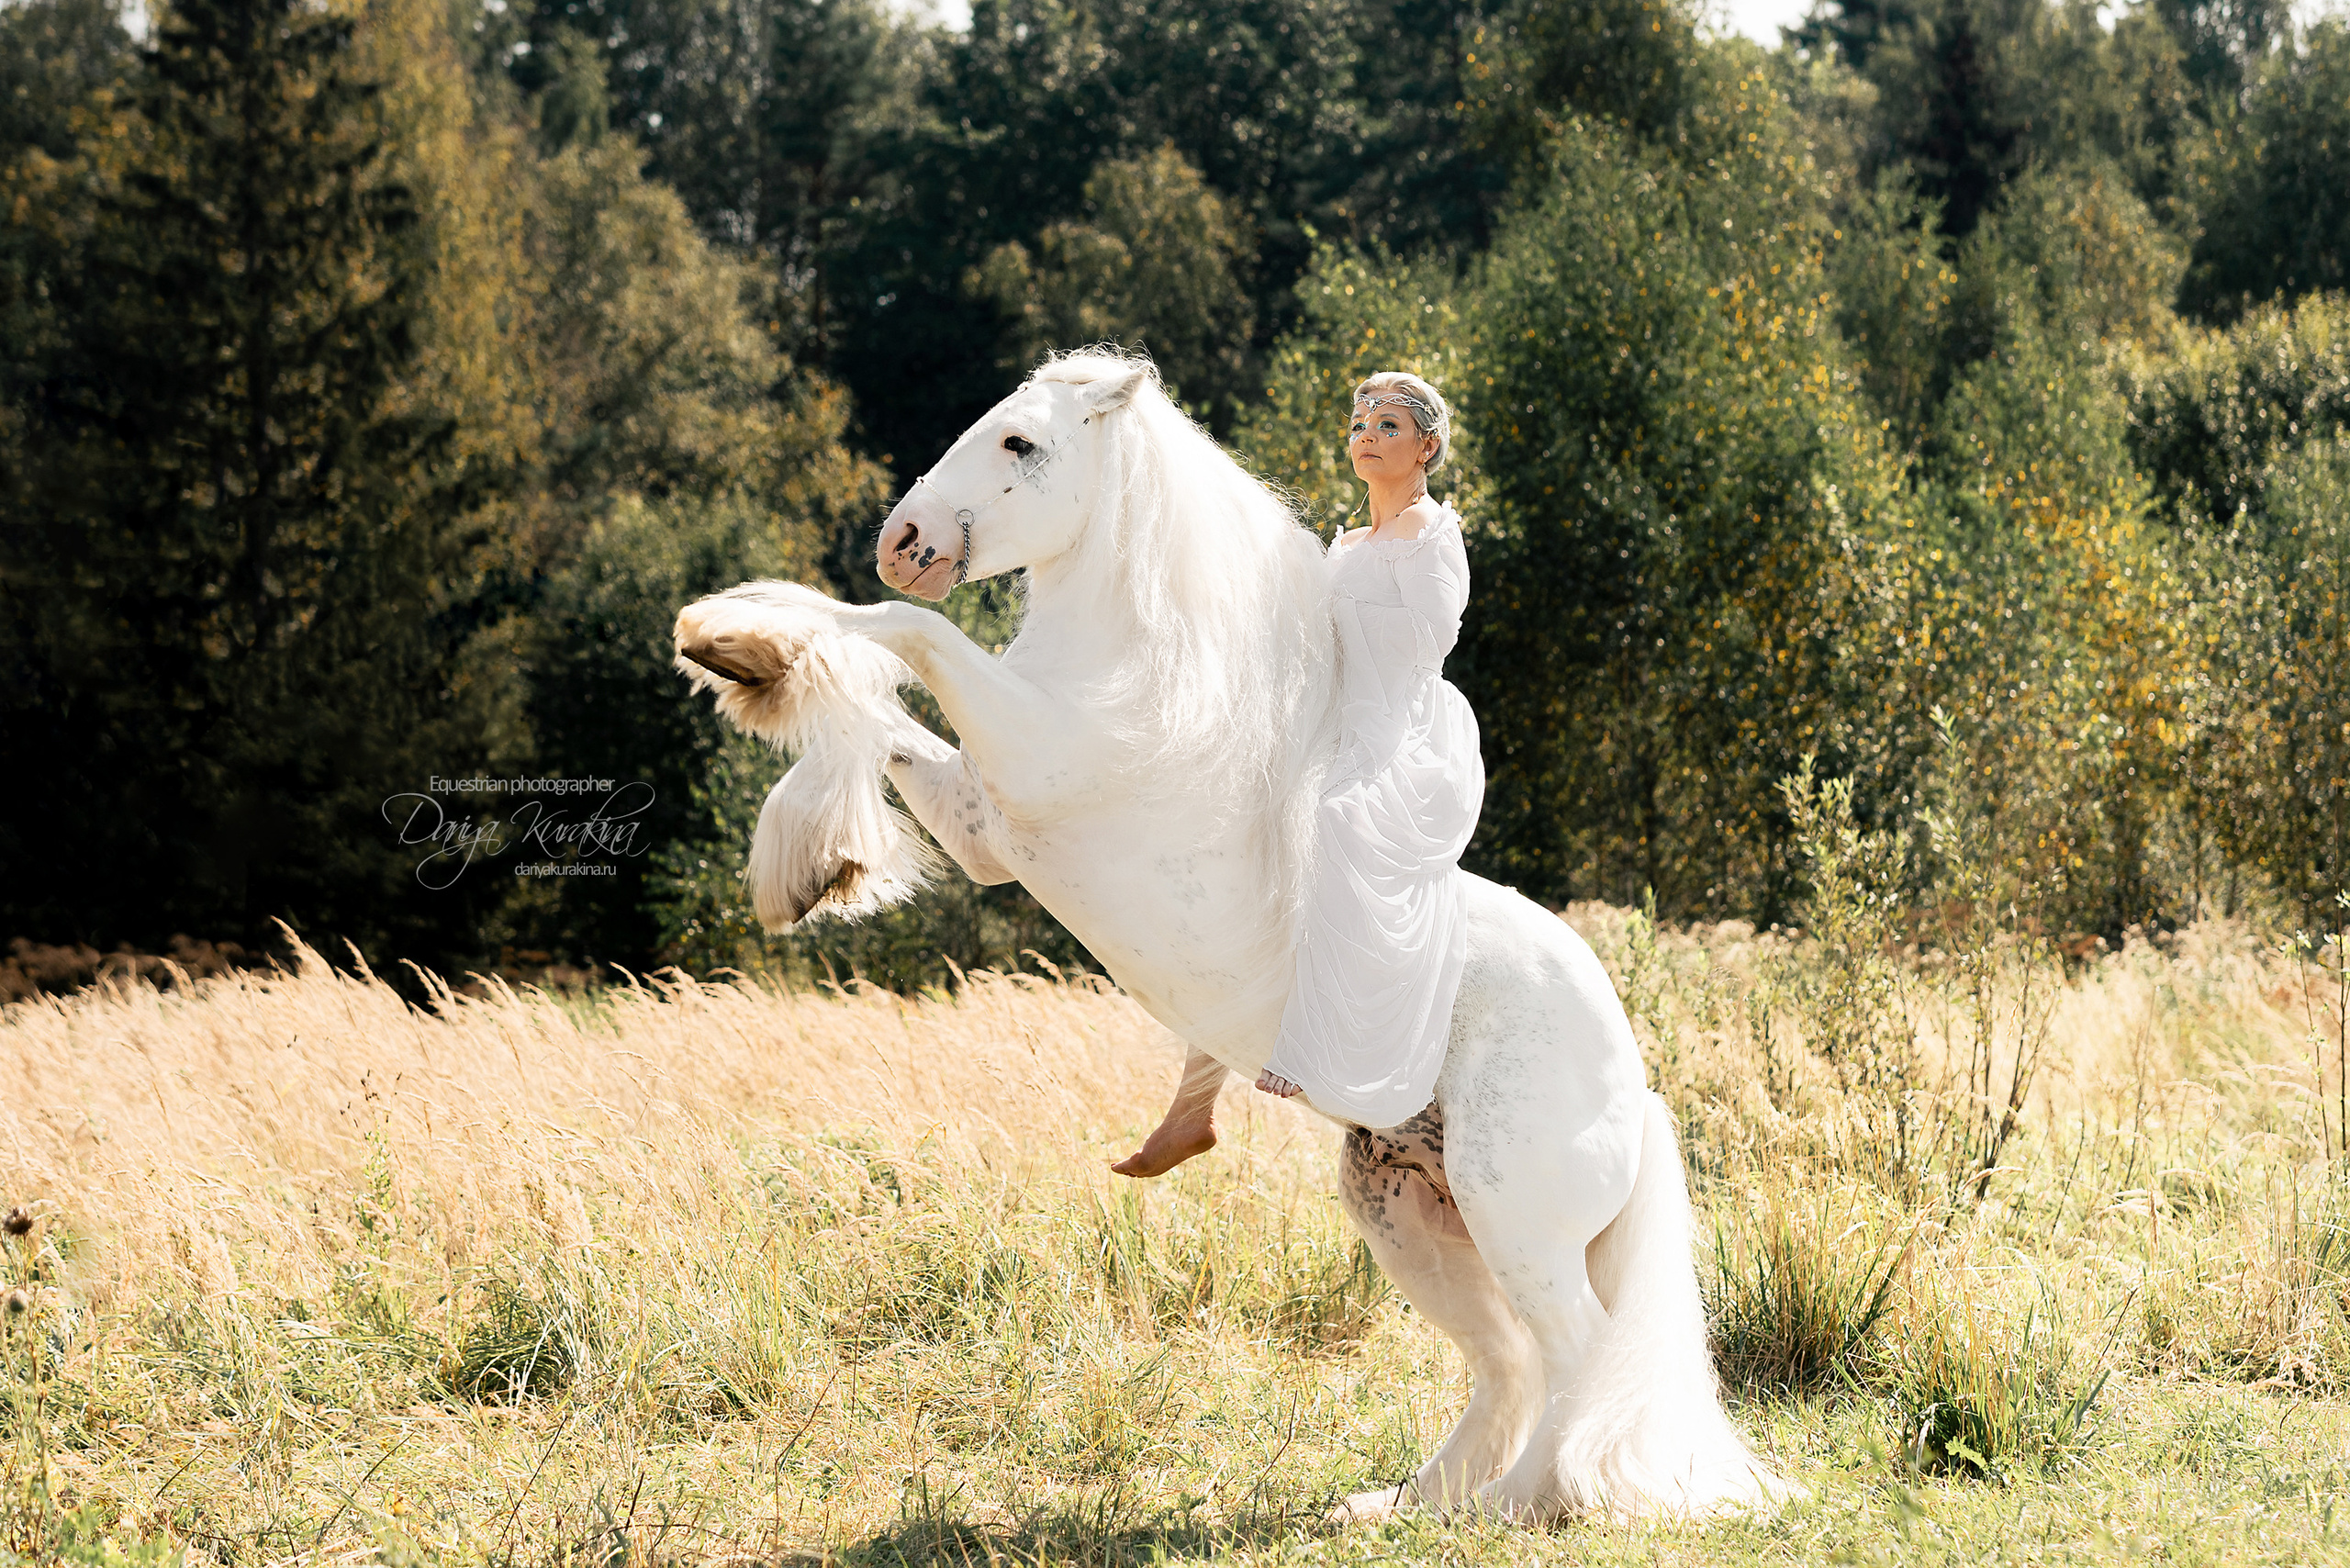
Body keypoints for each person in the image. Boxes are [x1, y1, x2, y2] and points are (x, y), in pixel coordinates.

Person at [1111, 370, 1483, 1175]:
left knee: (1334, 821)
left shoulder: (1432, 537)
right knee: (1224, 829)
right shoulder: (1341, 547)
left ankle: (1313, 1049)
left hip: (1392, 730)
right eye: (1358, 422)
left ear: (1426, 446)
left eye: (1387, 424)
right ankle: (1193, 1106)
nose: (1365, 434)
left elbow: (1422, 651)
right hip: (1327, 720)